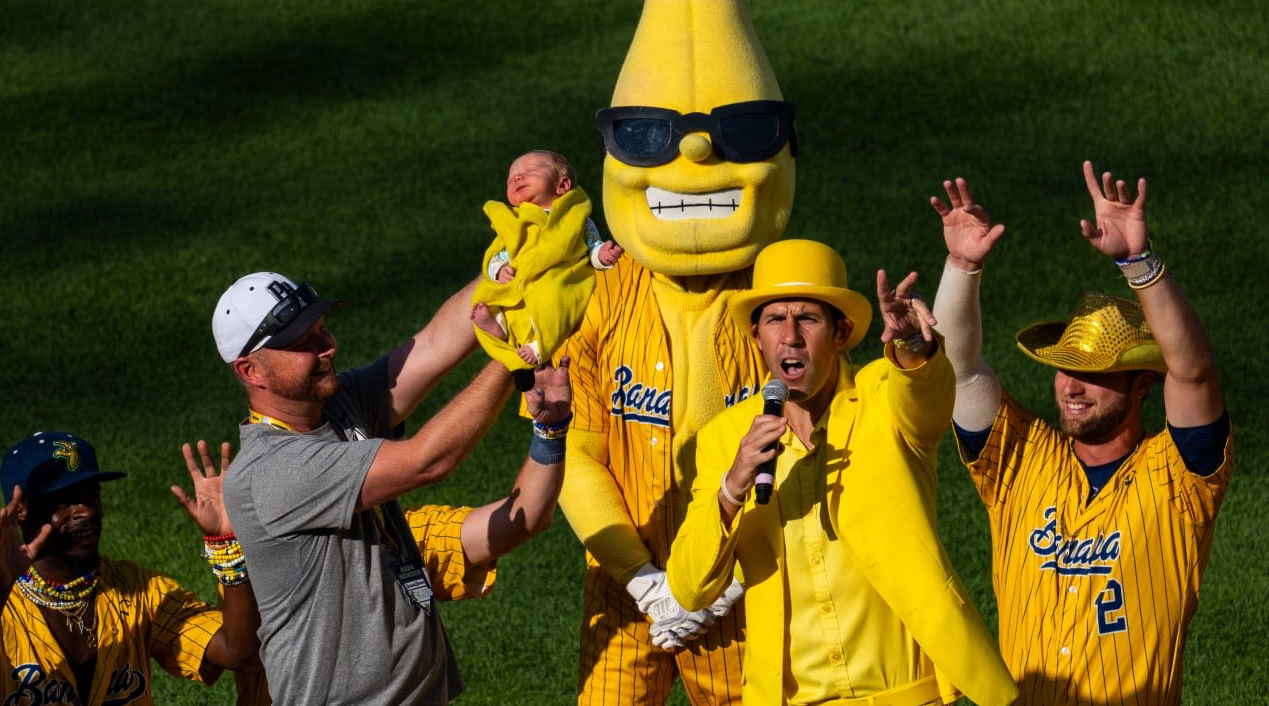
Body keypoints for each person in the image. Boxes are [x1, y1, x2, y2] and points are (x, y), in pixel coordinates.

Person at [667, 238, 1017, 706]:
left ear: (841, 332)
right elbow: (690, 589)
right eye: (775, 319)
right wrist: (732, 490)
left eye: (807, 318)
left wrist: (912, 344)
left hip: (908, 697)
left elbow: (928, 397)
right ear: (757, 338)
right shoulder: (724, 439)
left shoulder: (883, 395)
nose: (790, 335)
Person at [929, 164, 1232, 703]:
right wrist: (960, 267)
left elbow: (1194, 372)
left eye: (1096, 373)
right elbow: (958, 370)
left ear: (1143, 384)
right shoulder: (1020, 459)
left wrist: (1138, 264)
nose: (1072, 385)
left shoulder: (1180, 479)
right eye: (1066, 366)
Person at [213, 271, 569, 705]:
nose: (328, 347)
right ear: (251, 371)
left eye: (321, 329)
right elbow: (428, 461)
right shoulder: (271, 472)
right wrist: (515, 357)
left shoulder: (337, 405)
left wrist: (511, 259)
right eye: (302, 342)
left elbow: (437, 343)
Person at [0, 433, 260, 704]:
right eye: (65, 500)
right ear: (20, 509)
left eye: (91, 496)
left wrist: (226, 544)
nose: (84, 511)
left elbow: (239, 652)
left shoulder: (138, 590)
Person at [471, 150, 622, 374]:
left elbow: (591, 246)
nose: (517, 178)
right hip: (519, 278)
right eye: (511, 178)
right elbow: (499, 253)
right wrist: (499, 269)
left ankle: (541, 345)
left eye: (529, 171)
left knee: (555, 301)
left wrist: (602, 255)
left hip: (559, 277)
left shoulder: (575, 217)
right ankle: (499, 327)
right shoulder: (514, 220)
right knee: (487, 296)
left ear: (562, 186)